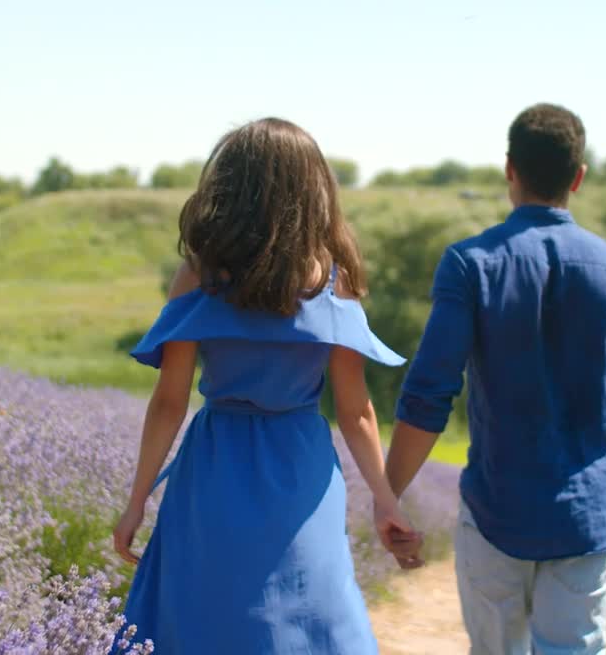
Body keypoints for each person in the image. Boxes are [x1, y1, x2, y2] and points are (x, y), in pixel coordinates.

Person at [108, 117, 421, 654]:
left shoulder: (199, 276)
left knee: (204, 615)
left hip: (214, 467)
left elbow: (169, 403)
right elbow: (357, 412)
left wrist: (137, 501)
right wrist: (387, 500)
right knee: (310, 613)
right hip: (299, 467)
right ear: (311, 189)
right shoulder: (333, 281)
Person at [384, 104, 606, 655]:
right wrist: (602, 493)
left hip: (495, 513)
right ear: (578, 176)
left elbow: (428, 394)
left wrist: (388, 495)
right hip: (586, 524)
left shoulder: (469, 264)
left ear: (509, 169)